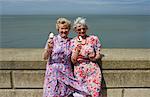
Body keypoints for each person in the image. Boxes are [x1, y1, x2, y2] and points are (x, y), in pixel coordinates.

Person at [42, 17, 89, 97]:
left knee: (68, 94)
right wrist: (49, 49)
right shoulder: (53, 40)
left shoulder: (72, 42)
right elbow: (44, 57)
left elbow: (73, 60)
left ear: (69, 29)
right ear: (58, 29)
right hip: (53, 73)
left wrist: (77, 50)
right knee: (53, 93)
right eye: (62, 28)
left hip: (66, 73)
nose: (64, 31)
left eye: (66, 28)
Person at [71, 17, 102, 97]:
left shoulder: (93, 39)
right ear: (75, 30)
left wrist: (94, 58)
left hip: (93, 69)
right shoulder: (73, 42)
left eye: (83, 29)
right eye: (79, 29)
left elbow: (98, 54)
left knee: (95, 93)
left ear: (86, 28)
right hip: (79, 70)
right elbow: (73, 61)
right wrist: (77, 51)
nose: (82, 31)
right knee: (81, 94)